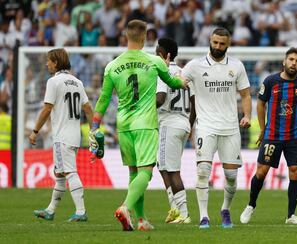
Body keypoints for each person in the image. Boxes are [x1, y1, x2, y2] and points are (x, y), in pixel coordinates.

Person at [89, 19, 188, 231]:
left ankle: (141, 220)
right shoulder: (155, 61)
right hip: (145, 124)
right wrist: (182, 81)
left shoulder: (112, 65)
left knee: (133, 174)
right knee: (146, 173)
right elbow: (172, 83)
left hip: (124, 125)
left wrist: (94, 125)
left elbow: (104, 99)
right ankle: (125, 207)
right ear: (144, 37)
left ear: (126, 36)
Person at [182, 27, 252, 229]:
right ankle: (204, 216)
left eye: (222, 43)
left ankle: (225, 209)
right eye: (215, 42)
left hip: (230, 128)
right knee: (203, 171)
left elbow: (246, 95)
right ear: (210, 41)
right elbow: (178, 80)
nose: (218, 46)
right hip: (205, 126)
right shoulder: (196, 65)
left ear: (228, 44)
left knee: (231, 176)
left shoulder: (237, 66)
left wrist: (247, 115)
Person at [240, 47, 297, 225]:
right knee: (261, 171)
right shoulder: (270, 81)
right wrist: (262, 129)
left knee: (295, 172)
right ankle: (251, 205)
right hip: (272, 135)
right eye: (291, 59)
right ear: (284, 61)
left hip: (294, 137)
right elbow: (260, 104)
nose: (293, 63)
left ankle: (290, 216)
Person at [29, 48, 93, 222]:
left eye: (49, 60)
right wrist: (94, 129)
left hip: (62, 136)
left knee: (70, 173)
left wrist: (35, 131)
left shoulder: (54, 81)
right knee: (60, 173)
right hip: (75, 135)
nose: (46, 63)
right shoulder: (77, 82)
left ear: (56, 62)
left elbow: (47, 109)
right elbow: (87, 108)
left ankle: (81, 211)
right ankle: (50, 210)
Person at [156, 37, 195, 224]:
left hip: (168, 122)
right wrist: (191, 124)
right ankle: (174, 208)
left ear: (165, 55)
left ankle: (184, 213)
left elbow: (160, 98)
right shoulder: (184, 73)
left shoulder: (163, 71)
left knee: (172, 170)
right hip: (183, 123)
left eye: (157, 53)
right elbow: (194, 101)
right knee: (162, 166)